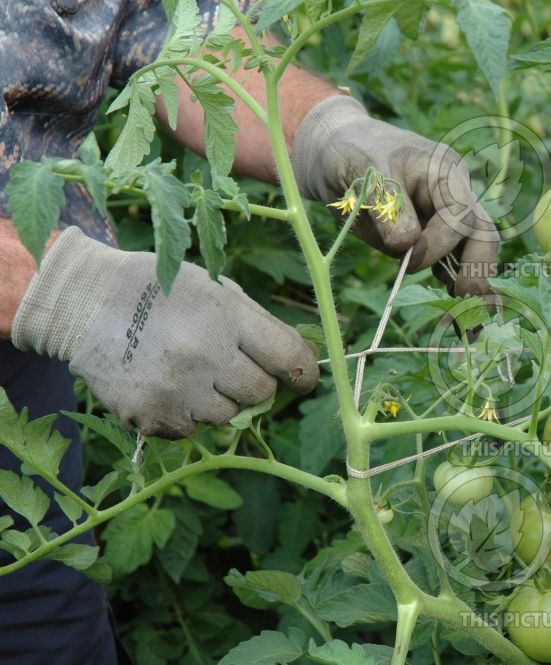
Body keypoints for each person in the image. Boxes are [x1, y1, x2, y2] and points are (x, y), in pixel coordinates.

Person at [0, 1, 499, 663]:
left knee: (45, 620)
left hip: (28, 362)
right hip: (56, 301)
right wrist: (65, 290)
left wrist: (324, 129)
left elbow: (171, 31)